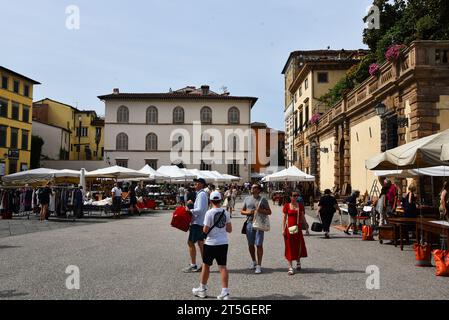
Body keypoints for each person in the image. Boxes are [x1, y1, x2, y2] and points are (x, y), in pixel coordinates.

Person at [192, 191, 232, 300]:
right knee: (222, 266)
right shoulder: (226, 213)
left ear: (210, 200)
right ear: (220, 199)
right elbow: (229, 229)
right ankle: (225, 292)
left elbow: (205, 229)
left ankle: (202, 289)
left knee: (206, 265)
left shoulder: (209, 213)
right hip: (223, 242)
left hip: (211, 243)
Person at [241, 184, 272, 274]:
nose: (252, 188)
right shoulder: (247, 199)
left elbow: (269, 212)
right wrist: (248, 212)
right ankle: (254, 261)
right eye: (252, 187)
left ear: (258, 190)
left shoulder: (263, 199)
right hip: (249, 223)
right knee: (250, 244)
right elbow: (242, 211)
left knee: (259, 245)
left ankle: (259, 265)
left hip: (259, 224)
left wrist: (260, 210)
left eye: (254, 187)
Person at [184, 178, 209, 273]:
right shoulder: (201, 194)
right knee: (200, 244)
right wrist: (193, 204)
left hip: (197, 223)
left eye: (197, 183)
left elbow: (200, 210)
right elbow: (201, 208)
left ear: (202, 184)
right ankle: (205, 264)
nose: (195, 184)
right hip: (200, 222)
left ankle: (193, 265)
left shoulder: (202, 195)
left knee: (190, 243)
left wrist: (190, 210)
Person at [283, 192, 308, 275]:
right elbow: (284, 218)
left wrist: (306, 227)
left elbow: (303, 216)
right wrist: (283, 229)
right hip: (289, 229)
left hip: (298, 229)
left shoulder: (300, 206)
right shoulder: (287, 205)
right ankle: (290, 266)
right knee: (289, 246)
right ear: (290, 197)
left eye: (297, 196)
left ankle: (298, 261)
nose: (296, 197)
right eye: (294, 196)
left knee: (298, 245)